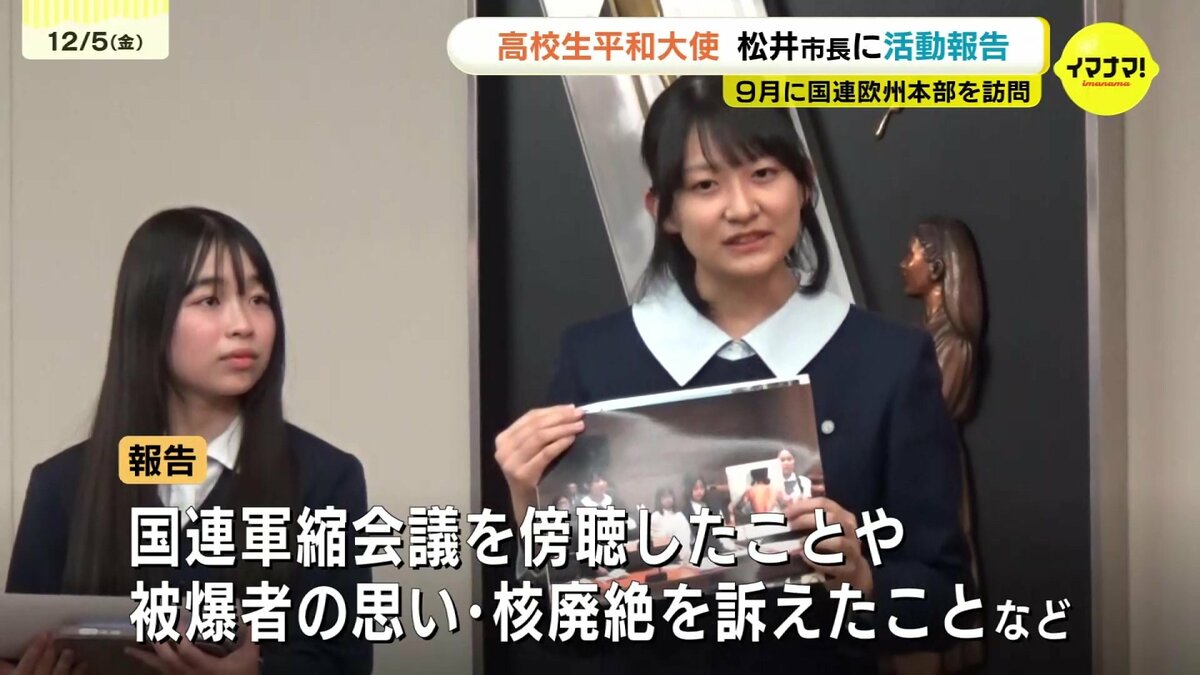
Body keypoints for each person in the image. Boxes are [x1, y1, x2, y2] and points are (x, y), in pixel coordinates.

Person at [494, 76, 968, 673]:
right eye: (705, 185)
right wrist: (530, 507)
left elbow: (945, 601)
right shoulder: (597, 360)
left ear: (805, 184)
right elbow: (560, 628)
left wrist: (864, 577)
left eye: (763, 173)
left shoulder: (888, 361)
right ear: (663, 211)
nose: (742, 208)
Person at [4, 207, 373, 675]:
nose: (243, 324)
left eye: (258, 299)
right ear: (149, 318)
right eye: (211, 300)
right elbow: (15, 646)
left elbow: (345, 661)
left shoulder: (325, 479)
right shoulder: (64, 485)